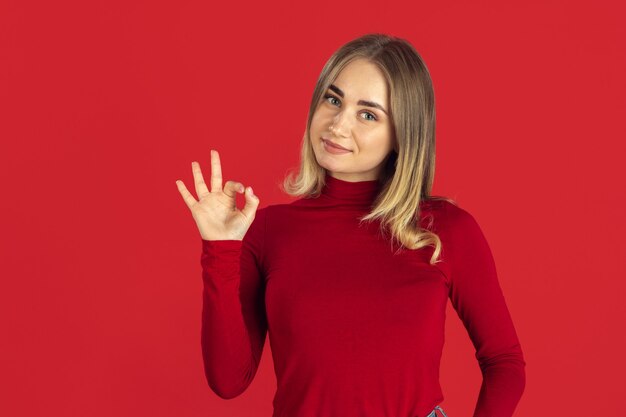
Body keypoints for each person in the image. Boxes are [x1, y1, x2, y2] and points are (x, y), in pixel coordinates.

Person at [175, 33, 525, 417]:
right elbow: (228, 381)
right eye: (333, 99)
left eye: (368, 114)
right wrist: (220, 248)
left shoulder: (446, 230)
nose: (338, 125)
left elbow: (505, 362)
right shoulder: (268, 230)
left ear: (402, 135)